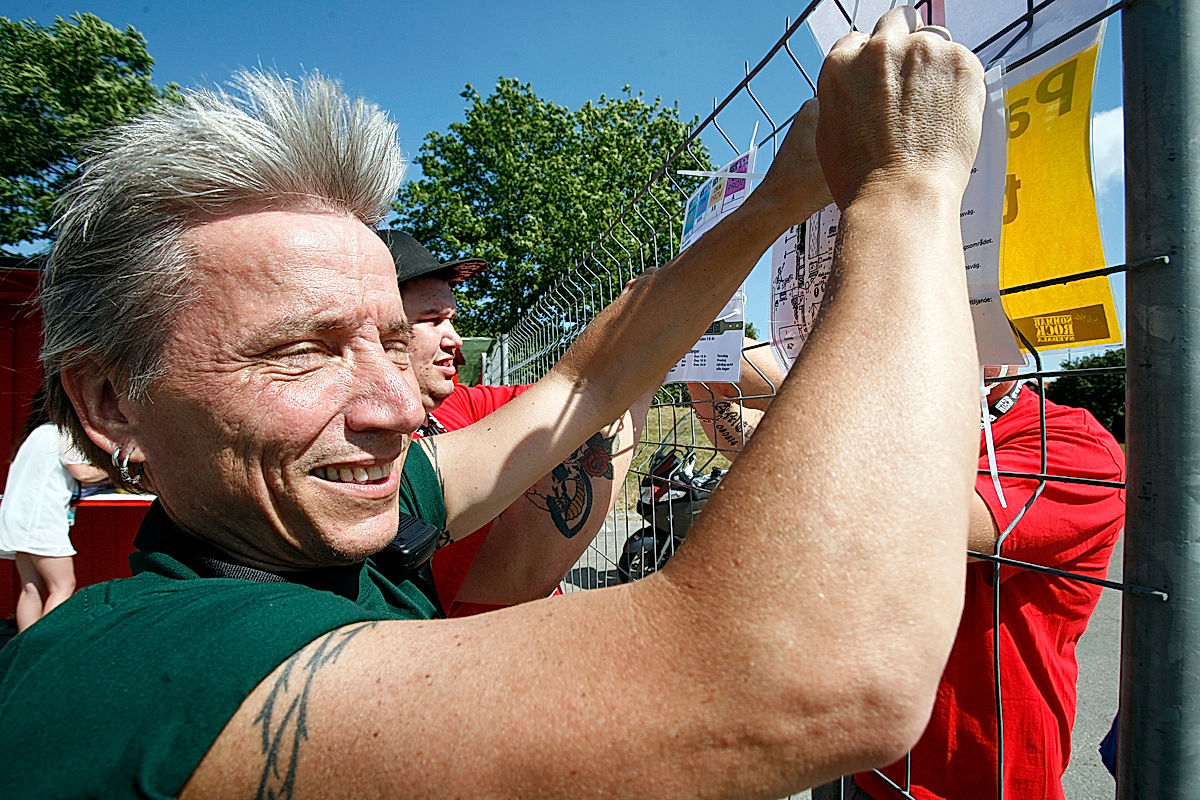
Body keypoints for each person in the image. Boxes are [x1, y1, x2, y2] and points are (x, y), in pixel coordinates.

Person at [0, 11, 987, 797]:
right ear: (112, 402)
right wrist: (906, 189)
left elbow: (584, 382)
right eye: (302, 351)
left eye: (392, 341)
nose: (398, 405)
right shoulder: (132, 675)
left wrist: (775, 200)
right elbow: (807, 677)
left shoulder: (317, 522)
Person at [693, 355, 1125, 800]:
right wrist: (702, 360)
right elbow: (754, 445)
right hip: (856, 752)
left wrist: (804, 386)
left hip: (974, 777)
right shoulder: (901, 420)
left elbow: (916, 527)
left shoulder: (1070, 442)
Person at [382, 229, 650, 615]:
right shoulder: (377, 464)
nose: (455, 339)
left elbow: (567, 393)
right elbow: (523, 570)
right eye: (432, 319)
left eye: (451, 319)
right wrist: (647, 353)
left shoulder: (457, 403)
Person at [0, 388, 109, 631]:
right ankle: (47, 644)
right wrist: (117, 473)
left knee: (30, 589)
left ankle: (27, 647)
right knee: (63, 586)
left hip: (16, 521)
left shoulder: (36, 434)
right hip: (42, 522)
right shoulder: (64, 432)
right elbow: (83, 473)